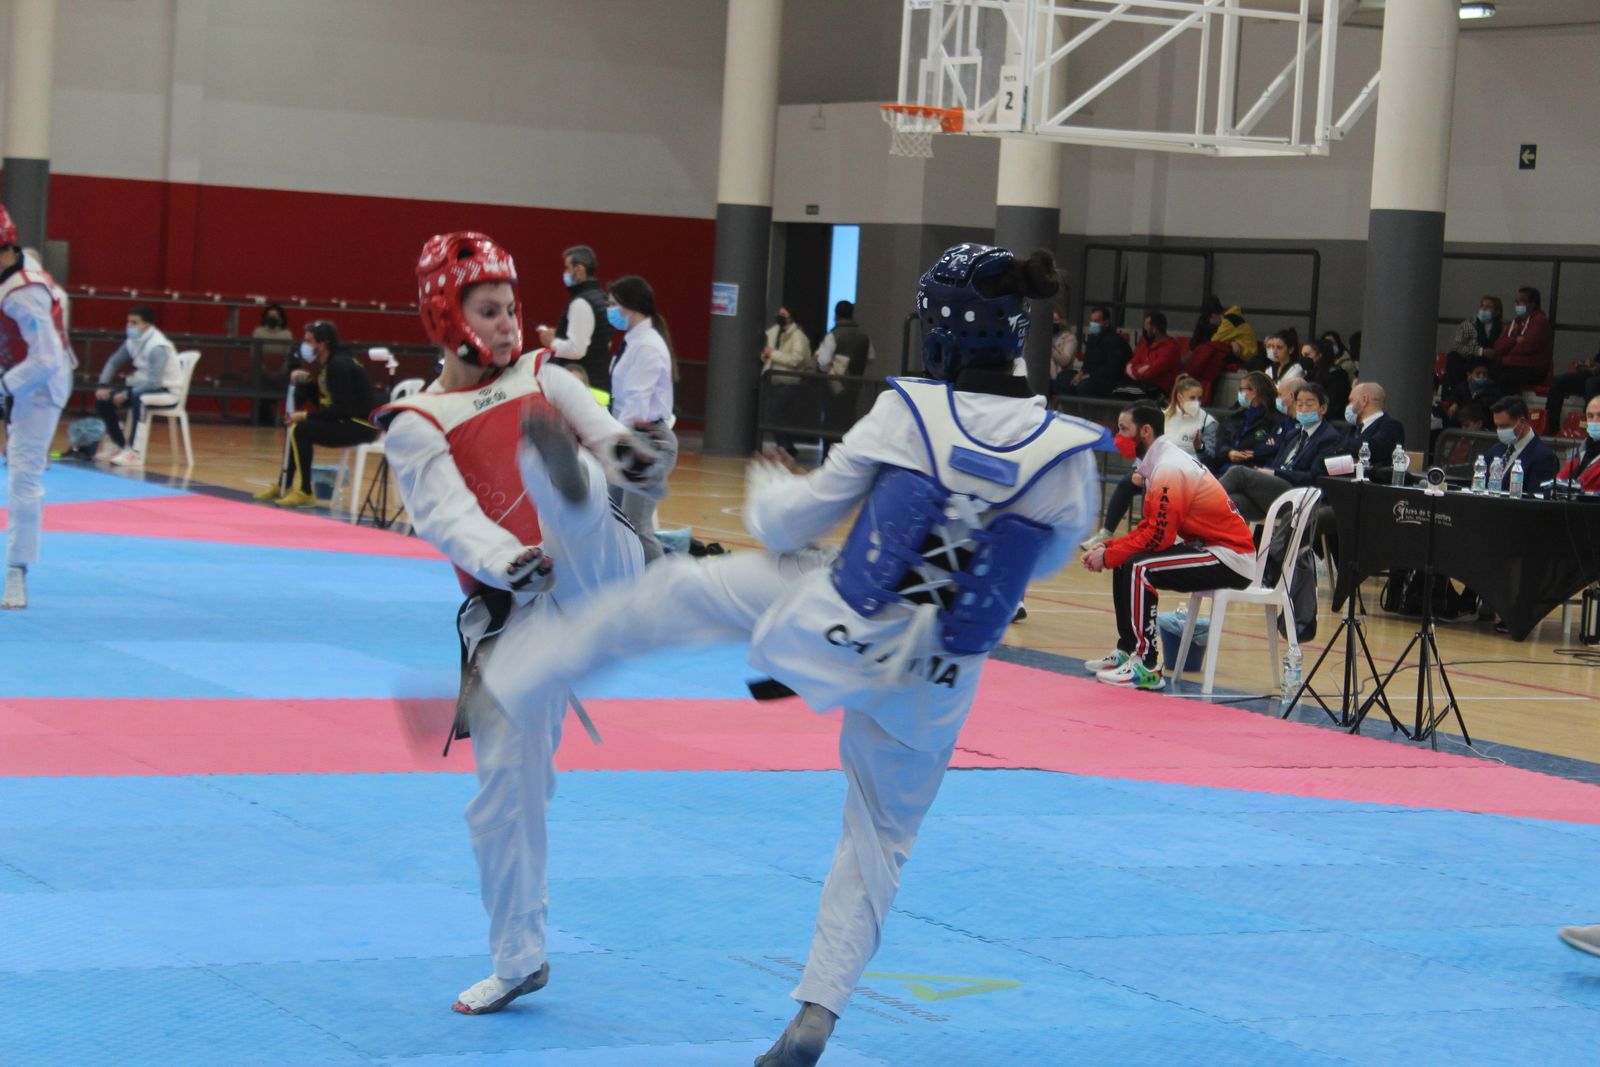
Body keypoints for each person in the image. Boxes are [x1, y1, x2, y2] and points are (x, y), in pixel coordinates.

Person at [478, 243, 1106, 1066]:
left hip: (835, 619)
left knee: (678, 596)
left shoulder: (908, 411)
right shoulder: (1070, 453)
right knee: (878, 837)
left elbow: (788, 525)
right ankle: (817, 1010)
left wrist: (771, 484)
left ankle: (514, 680)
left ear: (942, 334)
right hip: (939, 676)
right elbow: (1046, 559)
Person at [383, 231, 659, 1017]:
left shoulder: (544, 373)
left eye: (512, 308)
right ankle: (519, 958)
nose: (508, 323)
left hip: (596, 571)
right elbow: (445, 518)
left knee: (573, 502)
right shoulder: (415, 417)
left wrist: (624, 452)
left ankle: (564, 483)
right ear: (447, 313)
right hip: (516, 617)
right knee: (502, 797)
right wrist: (505, 559)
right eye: (489, 310)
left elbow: (597, 423)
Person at [1081, 403, 1255, 691]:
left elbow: (1158, 538)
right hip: (1206, 548)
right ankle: (1129, 649)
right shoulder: (1159, 463)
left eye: (1124, 429)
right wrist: (1110, 548)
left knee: (1140, 567)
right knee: (1128, 560)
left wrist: (1109, 555)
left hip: (1230, 557)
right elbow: (1149, 527)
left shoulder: (1170, 468)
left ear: (1145, 432)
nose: (1118, 437)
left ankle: (1147, 666)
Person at [0, 202, 75, 610]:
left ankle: (17, 570)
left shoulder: (23, 294)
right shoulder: (15, 268)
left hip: (40, 384)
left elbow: (45, 360)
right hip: (13, 365)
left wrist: (4, 388)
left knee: (23, 475)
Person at [1081, 375, 1218, 550]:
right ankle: (1106, 533)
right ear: (1180, 397)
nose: (1197, 402)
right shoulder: (1162, 416)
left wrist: (1200, 447)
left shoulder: (1207, 421)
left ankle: (1155, 536)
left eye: (1199, 398)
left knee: (1156, 489)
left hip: (1186, 476)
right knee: (1126, 483)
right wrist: (1138, 470)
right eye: (1192, 398)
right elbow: (1146, 446)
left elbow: (1210, 458)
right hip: (1155, 469)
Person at [253, 321, 379, 507]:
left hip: (360, 426)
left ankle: (305, 491)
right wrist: (309, 383)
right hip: (347, 420)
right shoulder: (329, 362)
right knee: (294, 426)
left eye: (309, 341)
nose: (304, 345)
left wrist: (305, 415)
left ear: (323, 343)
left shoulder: (338, 365)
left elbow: (340, 409)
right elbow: (327, 401)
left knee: (300, 429)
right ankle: (284, 484)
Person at [604, 275, 677, 562]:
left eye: (612, 304)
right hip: (632, 438)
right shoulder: (634, 342)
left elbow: (636, 404)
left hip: (648, 441)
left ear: (629, 306)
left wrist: (607, 441)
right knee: (614, 519)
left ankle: (663, 588)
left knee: (636, 525)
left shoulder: (646, 346)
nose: (609, 310)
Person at [1219, 381, 1345, 522]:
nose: (1303, 409)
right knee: (1231, 502)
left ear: (1323, 409)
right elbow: (1277, 463)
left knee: (1239, 472)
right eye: (1299, 404)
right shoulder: (1294, 433)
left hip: (1298, 492)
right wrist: (1265, 472)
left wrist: (1275, 473)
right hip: (1275, 490)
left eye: (1309, 405)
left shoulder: (1329, 437)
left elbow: (1314, 477)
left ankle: (1203, 499)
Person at [93, 304, 181, 467]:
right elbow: (114, 361)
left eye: (134, 323)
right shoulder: (133, 340)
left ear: (146, 325)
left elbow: (155, 382)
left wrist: (127, 394)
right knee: (103, 399)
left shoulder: (157, 347)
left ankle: (135, 453)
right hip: (143, 387)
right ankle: (117, 443)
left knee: (139, 399)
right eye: (128, 322)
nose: (129, 326)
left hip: (166, 391)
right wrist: (102, 384)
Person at [537, 244, 613, 390]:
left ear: (579, 270)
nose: (565, 273)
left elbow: (577, 350)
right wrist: (560, 336)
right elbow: (597, 340)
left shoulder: (582, 302)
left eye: (567, 268)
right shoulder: (602, 297)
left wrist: (552, 342)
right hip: (600, 384)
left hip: (585, 388)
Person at [761, 304, 814, 458]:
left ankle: (786, 446)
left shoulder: (798, 337)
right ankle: (784, 445)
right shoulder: (773, 332)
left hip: (788, 382)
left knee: (779, 415)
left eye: (783, 314)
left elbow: (796, 359)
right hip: (772, 380)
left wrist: (774, 354)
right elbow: (765, 351)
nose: (780, 316)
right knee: (775, 415)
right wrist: (765, 355)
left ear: (791, 317)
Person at [1484, 395, 1557, 491]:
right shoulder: (1496, 449)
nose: (1499, 430)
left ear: (1522, 422)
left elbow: (1536, 500)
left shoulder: (1544, 457)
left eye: (1503, 426)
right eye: (1497, 426)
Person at [1490, 286, 1553, 395]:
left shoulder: (1539, 321)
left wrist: (1507, 347)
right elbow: (1498, 346)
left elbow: (1527, 346)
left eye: (1521, 302)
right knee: (1487, 373)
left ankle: (1510, 410)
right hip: (1511, 365)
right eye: (1516, 302)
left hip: (1532, 368)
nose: (1517, 305)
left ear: (1532, 305)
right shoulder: (1515, 322)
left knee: (1506, 379)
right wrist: (1514, 341)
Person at [1060, 304, 1133, 398]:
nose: (1092, 324)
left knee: (1085, 386)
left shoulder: (1115, 341)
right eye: (1091, 321)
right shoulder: (1092, 339)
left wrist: (1089, 375)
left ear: (1106, 323)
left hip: (1110, 380)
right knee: (1063, 379)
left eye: (1096, 321)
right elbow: (1087, 363)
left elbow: (1113, 370)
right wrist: (1081, 373)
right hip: (1091, 376)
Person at [1217, 370, 1278, 473]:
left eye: (1242, 389)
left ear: (1255, 391)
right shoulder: (1237, 416)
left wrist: (1248, 455)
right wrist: (1229, 452)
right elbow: (1221, 443)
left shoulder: (1273, 420)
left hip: (1251, 470)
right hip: (1226, 466)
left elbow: (1270, 450)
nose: (1240, 393)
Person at [1342, 381, 1406, 473]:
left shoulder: (1392, 426)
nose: (1348, 406)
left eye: (1351, 401)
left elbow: (1372, 447)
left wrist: (1344, 448)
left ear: (1364, 400)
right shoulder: (1351, 429)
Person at [1124, 310, 1182, 399]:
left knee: (1117, 391)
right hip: (1141, 385)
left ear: (1154, 329)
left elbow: (1152, 371)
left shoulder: (1170, 347)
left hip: (1158, 390)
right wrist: (1139, 371)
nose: (1144, 329)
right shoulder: (1145, 344)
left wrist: (1137, 370)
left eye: (1146, 327)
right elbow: (1130, 365)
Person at [1544, 343, 1600, 427]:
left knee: (1591, 384)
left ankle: (1587, 429)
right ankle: (1551, 429)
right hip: (1595, 373)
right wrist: (1592, 363)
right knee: (1558, 381)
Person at [1552, 394, 1600, 492]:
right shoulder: (1581, 451)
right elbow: (1557, 481)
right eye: (1590, 416)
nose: (1595, 421)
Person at [1303, 338, 1351, 418]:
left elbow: (1336, 404)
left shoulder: (1337, 375)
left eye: (1307, 355)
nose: (1303, 359)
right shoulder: (1309, 374)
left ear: (1319, 355)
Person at [1048, 306, 1080, 394]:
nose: (1053, 324)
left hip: (1058, 376)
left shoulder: (1069, 338)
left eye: (1056, 321)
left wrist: (1050, 347)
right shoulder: (1040, 335)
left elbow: (1065, 360)